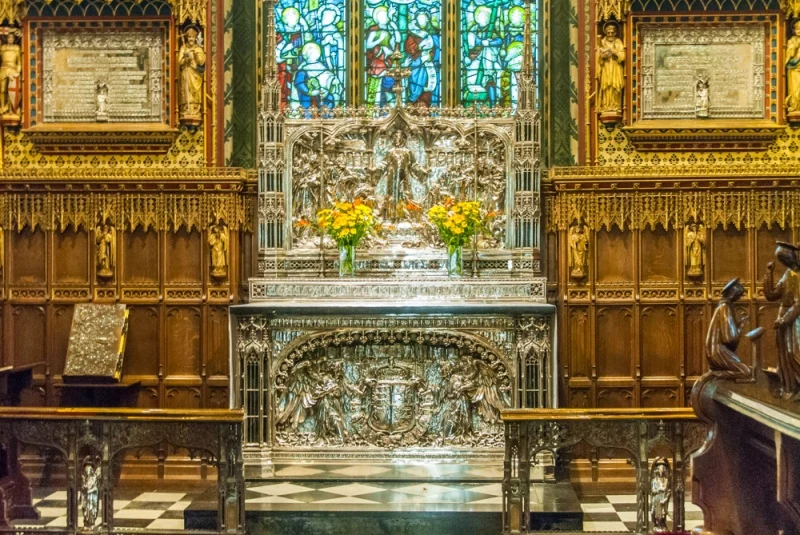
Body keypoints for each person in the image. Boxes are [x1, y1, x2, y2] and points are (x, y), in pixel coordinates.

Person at [764, 242, 800, 398]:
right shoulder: (788, 273)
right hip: (784, 318)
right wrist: (769, 274)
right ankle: (789, 387)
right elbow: (772, 295)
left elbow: (799, 304)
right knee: (783, 354)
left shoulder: (798, 275)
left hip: (794, 320)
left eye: (784, 258)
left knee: (793, 353)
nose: (783, 261)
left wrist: (784, 320)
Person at [705, 278, 751, 377]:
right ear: (733, 294)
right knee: (745, 371)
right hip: (718, 352)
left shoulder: (724, 307)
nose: (739, 299)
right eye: (738, 296)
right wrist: (741, 326)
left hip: (718, 350)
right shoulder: (725, 308)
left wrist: (739, 324)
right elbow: (729, 339)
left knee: (746, 369)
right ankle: (717, 375)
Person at [464, 6, 503, 106]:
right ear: (476, 17)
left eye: (486, 16)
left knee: (490, 81)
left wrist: (489, 43)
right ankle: (474, 106)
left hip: (488, 61)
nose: (484, 18)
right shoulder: (473, 30)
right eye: (481, 16)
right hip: (475, 61)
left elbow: (499, 41)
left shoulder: (491, 30)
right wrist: (481, 42)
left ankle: (493, 106)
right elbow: (471, 42)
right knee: (472, 81)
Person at [178, 27, 206, 124]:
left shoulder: (198, 48)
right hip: (186, 73)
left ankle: (195, 110)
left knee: (195, 92)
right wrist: (186, 58)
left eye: (192, 37)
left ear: (195, 38)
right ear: (187, 38)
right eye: (189, 37)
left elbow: (201, 62)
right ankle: (186, 109)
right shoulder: (183, 48)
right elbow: (179, 61)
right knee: (186, 92)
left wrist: (195, 54)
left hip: (195, 75)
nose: (191, 39)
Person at [597, 22, 625, 113]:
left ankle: (616, 106)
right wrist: (602, 56)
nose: (610, 34)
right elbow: (597, 56)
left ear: (615, 32)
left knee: (615, 86)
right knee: (606, 86)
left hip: (616, 67)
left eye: (612, 32)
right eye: (608, 32)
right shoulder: (602, 42)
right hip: (606, 67)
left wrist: (615, 52)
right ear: (605, 32)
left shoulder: (618, 42)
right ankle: (606, 106)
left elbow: (623, 56)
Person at [0, 29, 21, 119]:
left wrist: (18, 72)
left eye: (12, 37)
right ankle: (3, 108)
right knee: (3, 89)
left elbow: (19, 62)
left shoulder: (16, 48)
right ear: (7, 38)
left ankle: (11, 109)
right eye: (9, 37)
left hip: (13, 70)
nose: (11, 39)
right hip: (3, 70)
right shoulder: (3, 48)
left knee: (11, 90)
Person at [787, 19, 800, 115]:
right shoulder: (791, 41)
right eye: (797, 28)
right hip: (795, 67)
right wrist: (795, 46)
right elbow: (789, 55)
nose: (799, 31)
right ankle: (796, 106)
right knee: (796, 89)